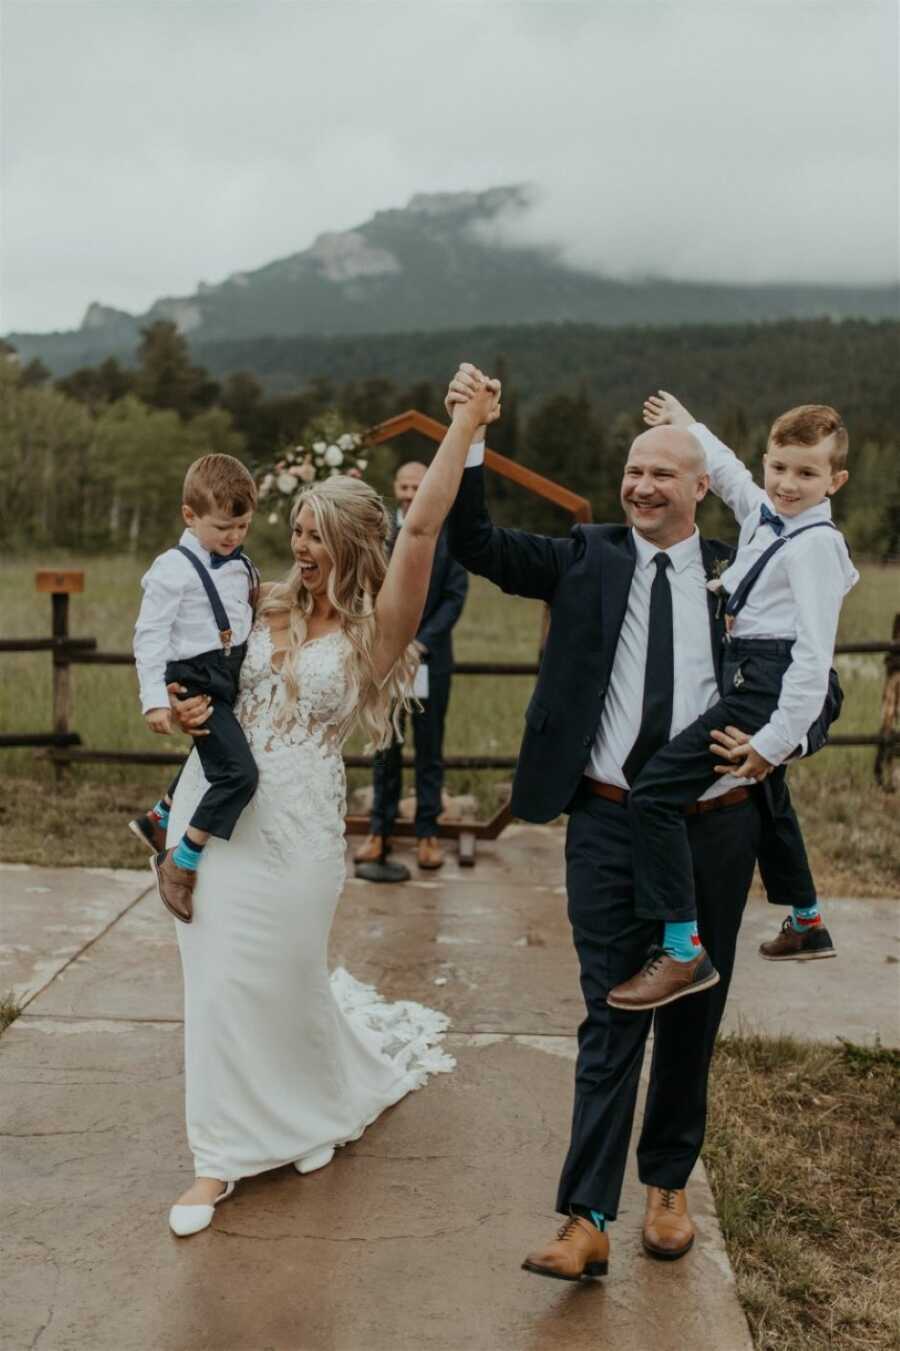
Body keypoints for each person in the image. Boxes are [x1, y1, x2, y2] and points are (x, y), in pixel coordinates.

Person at [445, 363, 841, 1282]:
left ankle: (666, 1187)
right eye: (634, 469)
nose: (642, 484)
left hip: (718, 821)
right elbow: (473, 539)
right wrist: (472, 432)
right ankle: (584, 1215)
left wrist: (779, 744)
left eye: (664, 472)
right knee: (610, 1008)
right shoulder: (586, 555)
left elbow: (813, 690)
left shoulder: (742, 573)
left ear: (703, 486)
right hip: (608, 822)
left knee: (693, 1012)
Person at [161, 371, 501, 1238]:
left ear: (352, 544)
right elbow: (192, 675)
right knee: (217, 984)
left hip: (302, 832)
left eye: (316, 535)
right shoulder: (257, 600)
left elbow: (422, 525)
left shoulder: (376, 631)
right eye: (296, 530)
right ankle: (218, 1158)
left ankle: (308, 1108)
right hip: (217, 816)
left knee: (282, 980)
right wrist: (185, 706)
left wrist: (465, 422)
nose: (298, 546)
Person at [604, 391, 857, 1011]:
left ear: (836, 480)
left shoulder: (816, 546)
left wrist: (773, 741)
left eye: (806, 473)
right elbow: (731, 480)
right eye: (779, 467)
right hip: (752, 672)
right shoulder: (769, 516)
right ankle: (806, 919)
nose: (786, 484)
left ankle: (682, 946)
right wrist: (690, 427)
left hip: (768, 679)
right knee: (768, 794)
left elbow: (813, 659)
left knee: (656, 792)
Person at [131, 453, 260, 923]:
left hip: (229, 672)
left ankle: (160, 817)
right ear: (190, 516)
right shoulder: (173, 567)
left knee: (220, 753)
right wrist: (154, 700)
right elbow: (149, 637)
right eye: (223, 527)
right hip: (194, 678)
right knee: (239, 774)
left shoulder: (242, 565)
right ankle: (181, 861)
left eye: (242, 527)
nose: (233, 537)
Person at [355, 460, 469, 871]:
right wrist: (388, 645)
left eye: (416, 485)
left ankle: (427, 834)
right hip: (385, 661)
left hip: (430, 660)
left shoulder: (448, 534)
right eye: (403, 485)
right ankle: (378, 831)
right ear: (395, 487)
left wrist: (419, 644)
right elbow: (366, 590)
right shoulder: (378, 534)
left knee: (429, 749)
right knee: (385, 747)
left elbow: (455, 597)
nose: (409, 492)